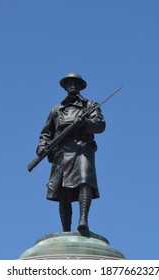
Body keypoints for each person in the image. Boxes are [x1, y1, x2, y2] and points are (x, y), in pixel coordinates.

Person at [37, 73, 106, 235]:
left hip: (82, 148)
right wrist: (41, 146)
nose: (73, 85)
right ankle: (66, 231)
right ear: (65, 86)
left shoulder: (90, 105)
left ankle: (83, 220)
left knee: (85, 181)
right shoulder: (56, 110)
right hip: (61, 151)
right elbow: (46, 133)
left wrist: (85, 123)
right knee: (63, 192)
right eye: (69, 83)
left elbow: (100, 125)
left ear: (81, 86)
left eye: (76, 82)